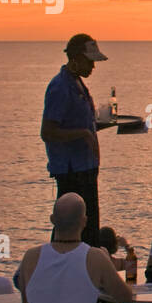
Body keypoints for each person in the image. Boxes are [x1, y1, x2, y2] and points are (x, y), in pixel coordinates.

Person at [41, 34, 109, 248]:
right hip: (72, 172)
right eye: (89, 61)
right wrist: (83, 134)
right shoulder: (60, 87)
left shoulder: (77, 83)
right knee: (69, 229)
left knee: (89, 229)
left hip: (86, 168)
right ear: (76, 58)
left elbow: (82, 123)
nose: (93, 67)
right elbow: (48, 132)